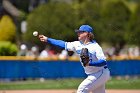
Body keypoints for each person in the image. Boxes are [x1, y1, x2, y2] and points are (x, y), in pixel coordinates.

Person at [39, 24, 110, 93]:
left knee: (82, 89)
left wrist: (90, 63)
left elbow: (103, 62)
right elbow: (63, 44)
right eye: (78, 32)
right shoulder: (77, 44)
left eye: (80, 32)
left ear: (87, 34)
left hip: (101, 72)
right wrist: (47, 39)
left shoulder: (95, 47)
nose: (78, 33)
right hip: (93, 74)